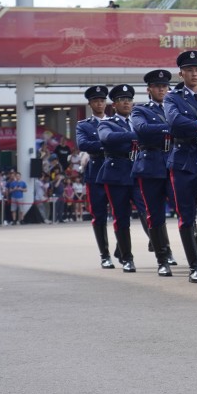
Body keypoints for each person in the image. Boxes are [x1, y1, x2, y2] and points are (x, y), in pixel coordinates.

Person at [164, 50, 197, 283]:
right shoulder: (172, 97)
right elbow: (175, 121)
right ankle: (195, 265)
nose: (194, 74)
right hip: (184, 159)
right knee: (186, 215)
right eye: (189, 70)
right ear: (181, 73)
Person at [130, 69, 176, 276]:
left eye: (165, 86)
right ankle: (162, 258)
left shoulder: (176, 107)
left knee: (184, 207)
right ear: (149, 90)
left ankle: (194, 248)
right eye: (157, 86)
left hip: (175, 162)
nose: (161, 89)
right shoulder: (140, 110)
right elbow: (142, 129)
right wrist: (171, 127)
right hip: (150, 166)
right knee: (155, 215)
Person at [97, 84, 141, 272]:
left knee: (149, 212)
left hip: (139, 170)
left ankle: (161, 250)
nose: (126, 102)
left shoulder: (139, 119)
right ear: (114, 104)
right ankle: (127, 257)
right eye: (122, 99)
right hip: (117, 173)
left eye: (129, 99)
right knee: (121, 217)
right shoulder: (107, 123)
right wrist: (137, 135)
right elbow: (107, 138)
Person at [76, 86, 116, 267]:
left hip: (117, 171)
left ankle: (122, 248)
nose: (99, 103)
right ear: (90, 103)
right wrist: (109, 144)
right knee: (98, 215)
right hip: (96, 172)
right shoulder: (83, 125)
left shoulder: (116, 121)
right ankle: (104, 254)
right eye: (95, 101)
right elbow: (83, 144)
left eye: (102, 100)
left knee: (120, 213)